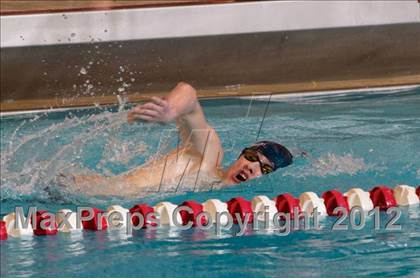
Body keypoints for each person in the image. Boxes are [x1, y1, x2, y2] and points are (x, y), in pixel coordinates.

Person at [60, 82, 293, 198]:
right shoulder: (208, 159)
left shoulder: (210, 195)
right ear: (241, 154)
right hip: (69, 189)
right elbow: (189, 93)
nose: (251, 168)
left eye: (264, 168)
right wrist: (172, 110)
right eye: (251, 157)